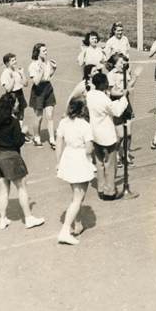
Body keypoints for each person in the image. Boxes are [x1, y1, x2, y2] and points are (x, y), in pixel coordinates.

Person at [0, 93, 44, 230]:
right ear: (12, 106)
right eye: (17, 102)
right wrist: (23, 132)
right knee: (22, 187)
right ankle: (28, 218)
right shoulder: (14, 122)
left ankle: (3, 220)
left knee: (3, 190)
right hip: (11, 157)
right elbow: (18, 143)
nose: (18, 104)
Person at [86, 72, 137, 200]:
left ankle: (101, 189)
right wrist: (124, 97)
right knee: (110, 164)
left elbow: (107, 106)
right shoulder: (103, 99)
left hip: (95, 134)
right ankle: (110, 192)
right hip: (106, 136)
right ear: (103, 84)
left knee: (99, 163)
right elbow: (117, 111)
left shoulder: (90, 94)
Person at [55, 96, 97, 245]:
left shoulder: (63, 122)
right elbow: (89, 149)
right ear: (83, 109)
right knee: (78, 198)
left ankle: (78, 224)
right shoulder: (85, 125)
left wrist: (58, 163)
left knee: (76, 196)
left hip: (68, 157)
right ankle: (65, 231)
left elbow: (58, 145)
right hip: (79, 159)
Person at [106, 52, 137, 168]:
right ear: (115, 64)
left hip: (126, 103)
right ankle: (116, 155)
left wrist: (135, 77)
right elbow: (112, 92)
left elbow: (129, 86)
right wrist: (123, 93)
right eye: (120, 62)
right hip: (116, 103)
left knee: (128, 134)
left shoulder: (126, 73)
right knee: (120, 135)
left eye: (124, 62)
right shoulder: (111, 75)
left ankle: (126, 155)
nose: (123, 64)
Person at [28, 42, 58, 149]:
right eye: (44, 51)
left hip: (48, 88)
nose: (46, 52)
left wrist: (54, 69)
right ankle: (36, 138)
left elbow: (48, 76)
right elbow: (36, 82)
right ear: (38, 53)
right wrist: (40, 71)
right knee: (39, 117)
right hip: (38, 90)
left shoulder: (47, 62)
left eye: (46, 50)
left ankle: (52, 140)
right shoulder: (33, 65)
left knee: (50, 116)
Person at [0, 53, 29, 138]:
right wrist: (12, 78)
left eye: (15, 59)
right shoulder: (5, 73)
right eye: (12, 60)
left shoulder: (17, 71)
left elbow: (25, 84)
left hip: (19, 93)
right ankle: (13, 134)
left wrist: (22, 74)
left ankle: (19, 134)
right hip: (12, 96)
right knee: (13, 116)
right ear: (7, 63)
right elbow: (8, 89)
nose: (15, 62)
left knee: (21, 115)